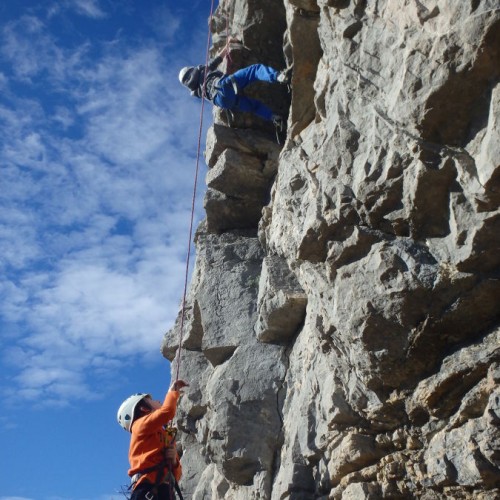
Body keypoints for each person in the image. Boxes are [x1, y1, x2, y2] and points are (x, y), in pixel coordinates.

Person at [117, 380, 189, 500]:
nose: (158, 401)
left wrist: (174, 462)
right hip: (147, 488)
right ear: (144, 409)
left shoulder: (163, 434)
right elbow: (167, 412)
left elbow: (176, 475)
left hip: (164, 491)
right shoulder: (139, 426)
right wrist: (172, 392)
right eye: (153, 400)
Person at [178, 52, 290, 128]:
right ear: (191, 69)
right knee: (254, 70)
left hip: (224, 102)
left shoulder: (196, 91)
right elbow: (218, 59)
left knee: (253, 106)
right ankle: (278, 76)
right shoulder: (202, 70)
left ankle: (274, 118)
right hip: (223, 86)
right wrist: (228, 44)